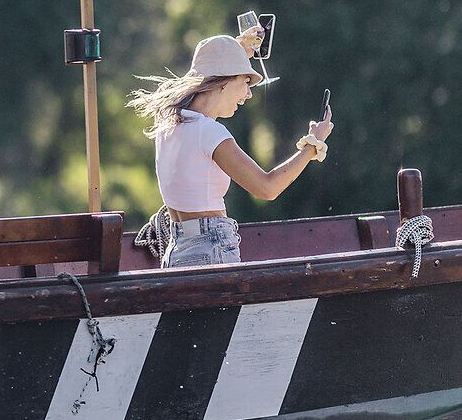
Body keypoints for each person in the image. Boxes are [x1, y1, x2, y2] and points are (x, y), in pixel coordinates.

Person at [128, 33, 334, 268]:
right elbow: (267, 188)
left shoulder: (167, 124)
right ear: (223, 81)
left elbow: (208, 69)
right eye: (246, 82)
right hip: (211, 247)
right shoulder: (209, 132)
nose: (248, 94)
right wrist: (312, 145)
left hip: (176, 251)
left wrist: (235, 50)